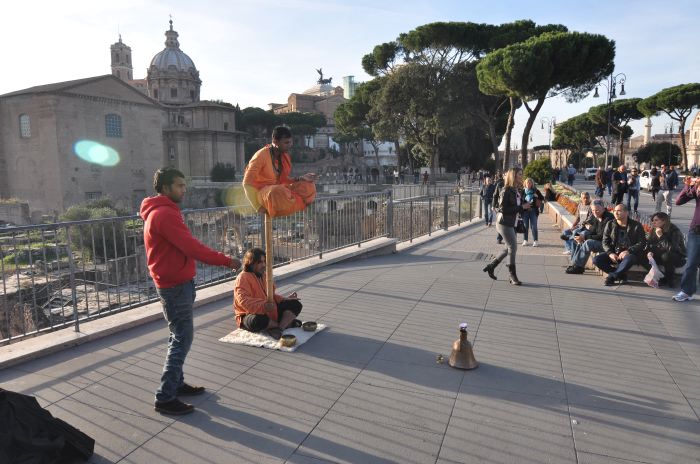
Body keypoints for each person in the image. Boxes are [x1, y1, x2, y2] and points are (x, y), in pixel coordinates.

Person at [141, 167, 242, 415]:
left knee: (177, 334)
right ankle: (165, 396)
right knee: (182, 338)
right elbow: (192, 247)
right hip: (175, 286)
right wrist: (226, 260)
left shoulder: (162, 211)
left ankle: (176, 383)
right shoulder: (164, 214)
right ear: (165, 189)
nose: (184, 190)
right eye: (179, 186)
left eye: (184, 185)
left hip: (175, 283)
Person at [243, 126, 317, 218]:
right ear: (275, 142)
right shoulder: (260, 156)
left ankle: (291, 204)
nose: (290, 145)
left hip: (280, 189)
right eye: (286, 143)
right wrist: (257, 207)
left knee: (308, 185)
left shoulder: (284, 156)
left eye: (291, 142)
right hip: (262, 193)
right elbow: (246, 184)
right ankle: (292, 205)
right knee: (277, 192)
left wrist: (300, 178)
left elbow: (284, 179)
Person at [233, 248, 303, 338]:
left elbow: (270, 296)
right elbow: (244, 302)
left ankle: (279, 328)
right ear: (251, 263)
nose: (263, 265)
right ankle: (284, 324)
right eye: (260, 262)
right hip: (249, 314)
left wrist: (284, 299)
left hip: (269, 310)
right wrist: (264, 306)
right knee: (256, 321)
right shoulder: (243, 278)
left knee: (295, 304)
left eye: (264, 261)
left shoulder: (264, 274)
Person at [483, 168, 530, 285]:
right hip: (504, 222)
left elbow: (519, 205)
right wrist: (521, 207)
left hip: (511, 222)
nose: (521, 176)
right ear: (513, 176)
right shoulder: (506, 190)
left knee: (507, 248)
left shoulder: (516, 190)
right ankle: (512, 276)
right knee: (513, 247)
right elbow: (503, 209)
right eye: (519, 174)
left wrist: (528, 205)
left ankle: (491, 266)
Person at [593, 204, 647, 286]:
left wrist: (628, 251)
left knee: (630, 258)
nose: (616, 213)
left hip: (630, 254)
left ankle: (612, 277)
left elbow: (642, 243)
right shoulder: (610, 224)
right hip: (615, 252)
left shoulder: (636, 225)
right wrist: (610, 253)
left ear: (626, 213)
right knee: (596, 260)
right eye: (614, 211)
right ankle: (620, 275)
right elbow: (605, 241)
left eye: (619, 211)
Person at [565, 199, 614, 274]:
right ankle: (575, 264)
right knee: (580, 239)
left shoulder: (608, 218)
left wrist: (585, 237)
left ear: (603, 209)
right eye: (593, 210)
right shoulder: (596, 216)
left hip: (608, 245)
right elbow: (593, 231)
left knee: (588, 243)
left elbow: (602, 236)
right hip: (600, 241)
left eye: (597, 210)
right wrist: (582, 236)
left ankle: (578, 267)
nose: (595, 212)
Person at [672, 176, 700, 301]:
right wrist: (689, 186)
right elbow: (678, 201)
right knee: (691, 262)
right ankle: (686, 292)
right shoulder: (697, 188)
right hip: (696, 230)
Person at [645, 212, 686, 288]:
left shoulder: (674, 230)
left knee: (666, 256)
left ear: (664, 221)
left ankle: (670, 279)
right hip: (660, 254)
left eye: (656, 220)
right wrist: (649, 251)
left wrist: (661, 236)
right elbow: (649, 243)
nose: (653, 222)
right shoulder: (654, 229)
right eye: (653, 220)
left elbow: (672, 248)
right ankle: (658, 277)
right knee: (644, 254)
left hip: (677, 257)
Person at [521, 177, 544, 247]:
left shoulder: (535, 190)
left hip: (533, 210)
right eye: (527, 182)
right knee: (525, 226)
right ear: (525, 183)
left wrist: (536, 196)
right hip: (525, 211)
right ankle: (525, 240)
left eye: (530, 183)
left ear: (532, 184)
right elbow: (519, 200)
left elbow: (542, 198)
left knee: (534, 226)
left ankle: (535, 241)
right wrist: (523, 200)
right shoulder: (523, 191)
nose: (528, 184)